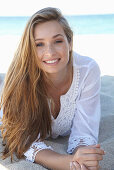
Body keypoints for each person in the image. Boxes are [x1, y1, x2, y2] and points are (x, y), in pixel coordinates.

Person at [0, 7, 105, 170]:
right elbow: (26, 142)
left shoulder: (87, 70)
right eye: (39, 44)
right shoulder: (21, 80)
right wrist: (69, 163)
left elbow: (84, 132)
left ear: (70, 43)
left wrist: (83, 157)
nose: (49, 52)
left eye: (57, 41)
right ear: (30, 49)